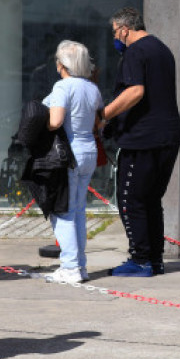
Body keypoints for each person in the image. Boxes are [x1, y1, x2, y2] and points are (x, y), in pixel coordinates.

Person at [101, 7, 180, 277]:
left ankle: (140, 259)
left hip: (142, 140)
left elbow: (135, 91)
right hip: (167, 138)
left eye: (115, 32)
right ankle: (154, 259)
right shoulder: (162, 50)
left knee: (130, 199)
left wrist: (104, 115)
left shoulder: (135, 52)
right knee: (150, 200)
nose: (115, 37)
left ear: (124, 29)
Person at [43, 40, 104, 283]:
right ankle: (80, 265)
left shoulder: (62, 86)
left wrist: (41, 126)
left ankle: (69, 267)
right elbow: (100, 122)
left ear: (62, 64)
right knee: (78, 210)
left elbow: (55, 121)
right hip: (88, 150)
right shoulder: (92, 88)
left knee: (63, 211)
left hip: (67, 153)